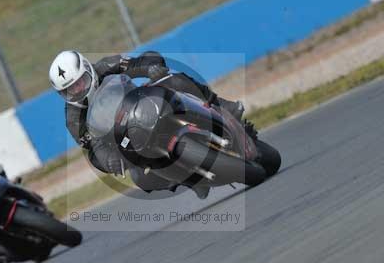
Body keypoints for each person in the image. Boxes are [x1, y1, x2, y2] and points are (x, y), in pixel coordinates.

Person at [49, 50, 258, 199]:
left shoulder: (105, 66)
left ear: (88, 70)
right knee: (140, 177)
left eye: (80, 82)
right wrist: (108, 161)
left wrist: (152, 68)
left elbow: (137, 62)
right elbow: (93, 151)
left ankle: (221, 106)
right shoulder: (73, 117)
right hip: (124, 137)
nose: (77, 90)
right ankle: (190, 181)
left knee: (173, 80)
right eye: (70, 90)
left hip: (143, 105)